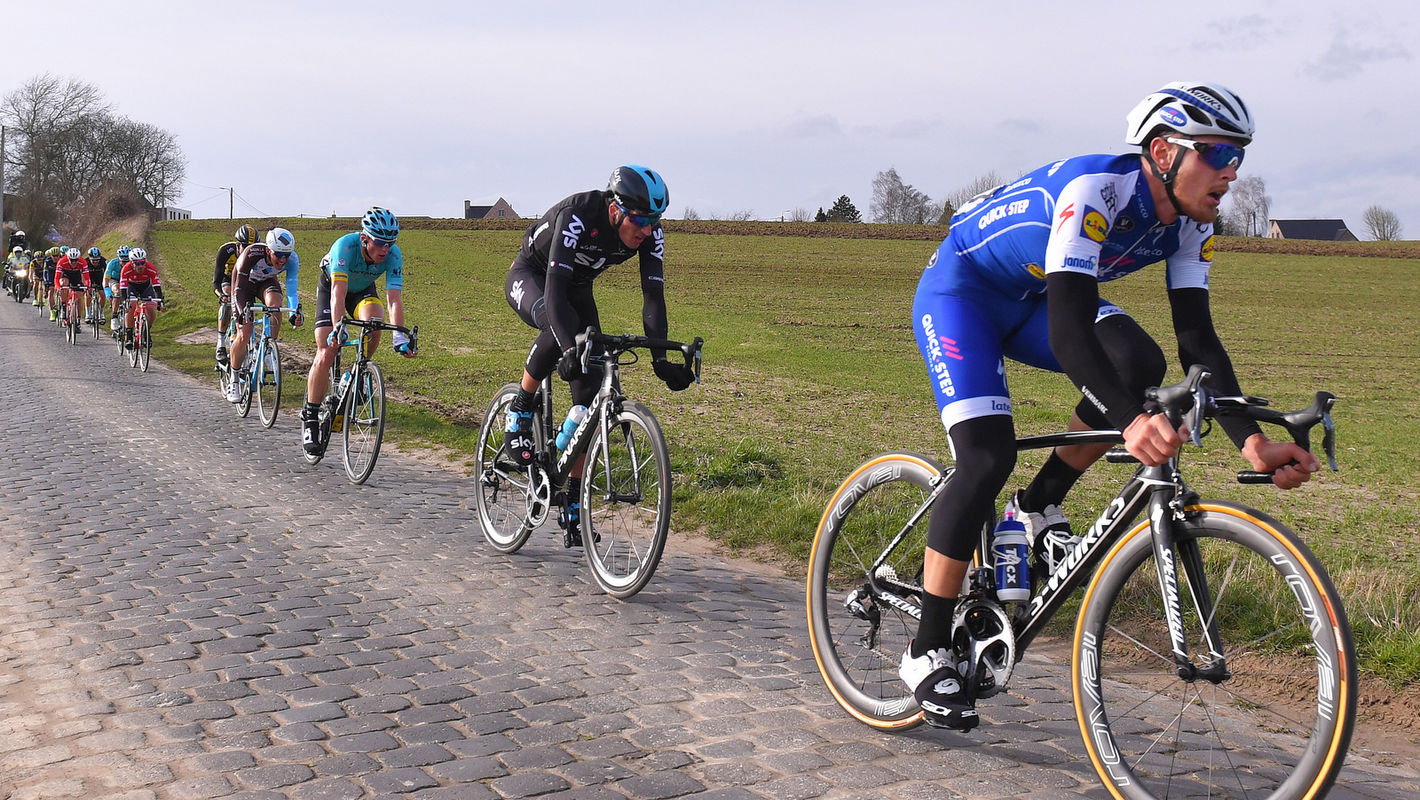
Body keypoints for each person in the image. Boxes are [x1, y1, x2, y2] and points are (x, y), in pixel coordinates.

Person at [902, 81, 1320, 731]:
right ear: (1164, 152)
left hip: (1034, 297)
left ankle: (1035, 508)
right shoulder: (1095, 193)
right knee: (985, 457)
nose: (1231, 173)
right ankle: (926, 649)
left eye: (1238, 157)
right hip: (964, 293)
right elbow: (1071, 334)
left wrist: (1251, 441)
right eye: (1216, 153)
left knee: (1138, 364)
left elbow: (1197, 341)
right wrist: (1130, 421)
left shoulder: (1192, 224)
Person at [502, 165, 695, 547]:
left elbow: (653, 297)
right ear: (615, 210)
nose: (647, 230)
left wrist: (660, 361)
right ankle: (521, 406)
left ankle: (572, 500)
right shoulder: (578, 215)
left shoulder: (651, 233)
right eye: (640, 220)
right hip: (534, 277)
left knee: (588, 402)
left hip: (578, 287)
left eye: (654, 221)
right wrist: (569, 349)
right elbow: (555, 294)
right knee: (559, 331)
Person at [301, 207, 414, 453]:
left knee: (375, 322)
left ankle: (358, 372)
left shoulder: (393, 255)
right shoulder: (345, 247)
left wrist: (399, 337)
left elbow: (394, 299)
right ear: (364, 238)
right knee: (327, 349)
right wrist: (338, 327)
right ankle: (310, 417)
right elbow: (338, 293)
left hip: (362, 291)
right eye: (380, 243)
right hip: (333, 288)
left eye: (390, 243)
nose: (385, 249)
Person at [224, 228, 302, 402]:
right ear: (268, 251)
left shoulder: (292, 260)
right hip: (243, 284)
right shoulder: (252, 254)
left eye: (287, 255)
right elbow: (238, 289)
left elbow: (292, 291)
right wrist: (241, 312)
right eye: (278, 255)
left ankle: (267, 349)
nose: (283, 260)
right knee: (244, 333)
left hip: (266, 282)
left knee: (275, 306)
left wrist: (294, 312)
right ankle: (234, 379)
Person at [214, 224, 258, 365]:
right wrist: (221, 295)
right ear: (237, 245)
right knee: (227, 298)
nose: (248, 250)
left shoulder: (256, 255)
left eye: (252, 247)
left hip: (244, 280)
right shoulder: (226, 251)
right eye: (245, 246)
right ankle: (220, 344)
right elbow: (216, 281)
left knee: (249, 306)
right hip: (228, 280)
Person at [118, 247, 165, 347]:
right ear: (131, 263)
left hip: (146, 287)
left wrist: (160, 300)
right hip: (131, 287)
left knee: (151, 309)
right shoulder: (126, 269)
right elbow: (123, 288)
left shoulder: (151, 267)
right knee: (131, 306)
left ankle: (146, 332)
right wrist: (125, 300)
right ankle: (129, 336)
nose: (141, 266)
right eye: (137, 263)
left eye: (142, 262)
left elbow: (157, 286)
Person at [54, 247, 91, 324]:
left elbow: (87, 278)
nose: (74, 262)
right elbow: (57, 278)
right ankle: (64, 308)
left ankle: (78, 318)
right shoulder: (62, 261)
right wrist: (59, 288)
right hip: (66, 274)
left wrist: (87, 287)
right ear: (68, 258)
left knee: (79, 296)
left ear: (78, 258)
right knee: (64, 284)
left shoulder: (83, 262)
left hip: (76, 275)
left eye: (75, 260)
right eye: (71, 260)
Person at [104, 246, 131, 331]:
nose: (125, 264)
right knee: (118, 291)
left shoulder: (133, 264)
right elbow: (106, 279)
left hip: (127, 280)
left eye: (127, 261)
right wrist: (108, 292)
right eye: (123, 262)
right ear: (119, 259)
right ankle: (114, 317)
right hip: (114, 280)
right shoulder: (112, 263)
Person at [83, 247, 107, 322]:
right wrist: (85, 285)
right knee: (88, 293)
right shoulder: (85, 262)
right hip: (89, 278)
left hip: (100, 277)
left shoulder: (103, 261)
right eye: (93, 260)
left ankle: (101, 313)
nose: (95, 262)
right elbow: (81, 274)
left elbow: (107, 272)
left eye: (97, 260)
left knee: (102, 294)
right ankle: (88, 314)